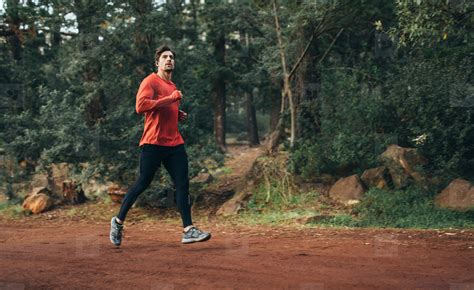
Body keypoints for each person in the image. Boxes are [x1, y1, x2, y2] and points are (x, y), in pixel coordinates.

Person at [109, 45, 211, 247]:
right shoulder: (150, 81)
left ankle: (188, 229)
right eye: (164, 57)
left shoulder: (172, 86)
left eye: (172, 57)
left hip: (174, 143)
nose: (169, 59)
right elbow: (141, 106)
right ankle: (118, 221)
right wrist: (170, 100)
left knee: (182, 184)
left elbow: (164, 109)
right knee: (143, 182)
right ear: (157, 62)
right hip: (153, 143)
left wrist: (177, 114)